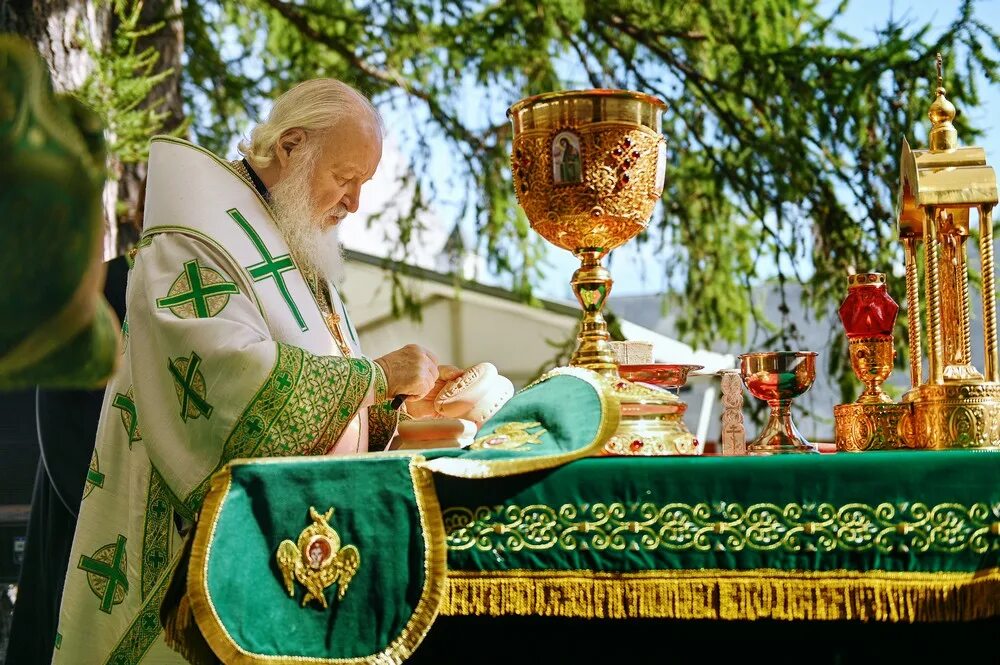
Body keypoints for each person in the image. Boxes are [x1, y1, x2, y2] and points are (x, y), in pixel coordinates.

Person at [52, 79, 457, 663]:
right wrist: (374, 379)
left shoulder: (300, 251)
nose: (354, 203)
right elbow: (229, 385)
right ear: (291, 146)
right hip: (182, 568)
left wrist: (395, 409)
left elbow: (328, 406)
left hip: (288, 554)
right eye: (346, 178)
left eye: (363, 185)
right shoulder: (195, 239)